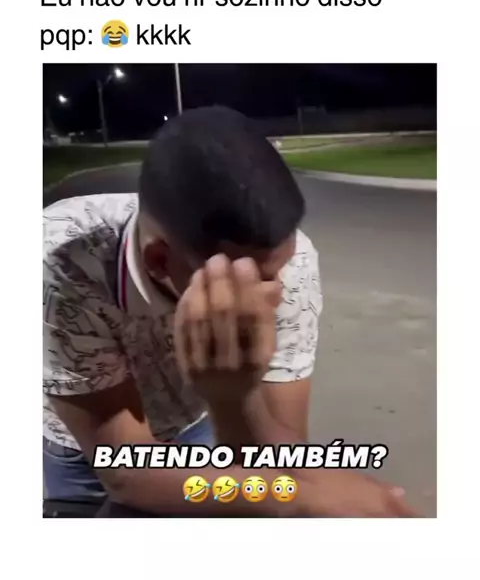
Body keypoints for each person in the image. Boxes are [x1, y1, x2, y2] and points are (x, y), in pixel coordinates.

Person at [43, 106, 415, 517]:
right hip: (84, 453)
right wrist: (300, 498)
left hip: (199, 422)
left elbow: (276, 457)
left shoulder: (289, 266)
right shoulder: (62, 264)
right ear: (159, 261)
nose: (274, 297)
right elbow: (126, 473)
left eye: (278, 272)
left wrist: (236, 398)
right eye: (253, 279)